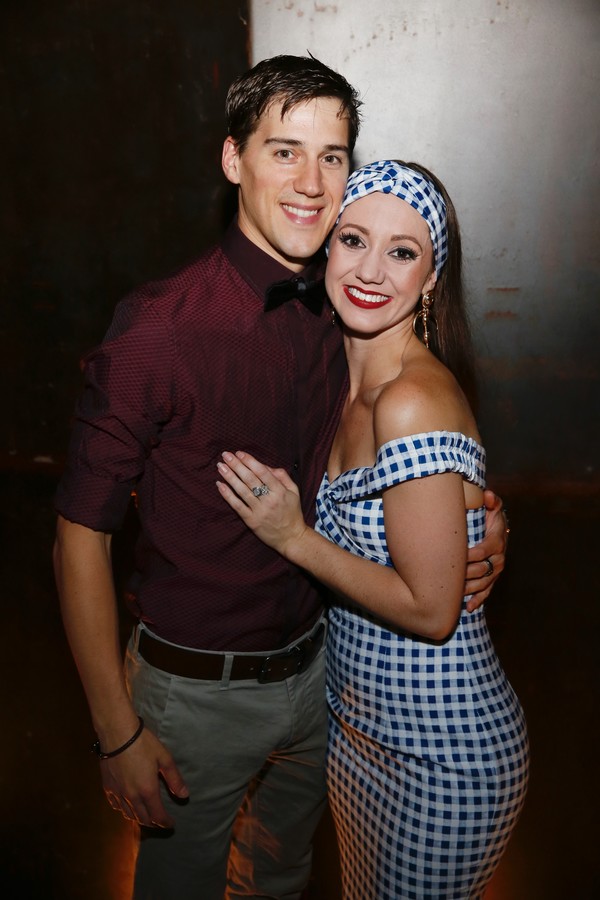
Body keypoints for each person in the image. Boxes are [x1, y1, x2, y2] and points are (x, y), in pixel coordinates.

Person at [53, 52, 508, 900]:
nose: (310, 179)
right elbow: (80, 533)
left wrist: (477, 520)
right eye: (282, 150)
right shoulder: (160, 331)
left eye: (332, 155)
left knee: (280, 882)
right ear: (234, 161)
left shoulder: (339, 309)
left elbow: (410, 451)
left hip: (321, 684)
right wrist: (116, 732)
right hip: (197, 694)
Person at [216, 160, 529, 899]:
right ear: (324, 247)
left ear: (430, 281)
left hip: (441, 754)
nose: (371, 271)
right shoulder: (334, 378)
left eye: (402, 252)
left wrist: (294, 537)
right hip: (356, 736)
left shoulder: (410, 400)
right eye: (354, 239)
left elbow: (431, 609)